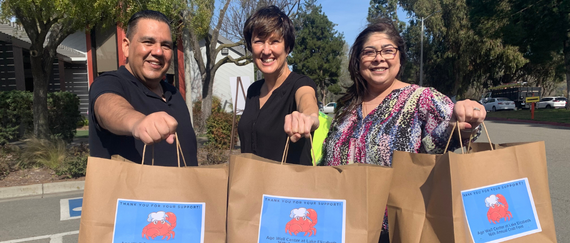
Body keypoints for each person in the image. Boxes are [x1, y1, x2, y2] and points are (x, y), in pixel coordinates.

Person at [321, 19, 486, 242]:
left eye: (388, 50)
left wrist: (467, 117)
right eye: (369, 52)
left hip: (397, 232)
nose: (378, 58)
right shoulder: (347, 106)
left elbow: (452, 131)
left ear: (400, 56)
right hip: (341, 227)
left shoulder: (420, 99)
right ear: (358, 60)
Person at [89, 10, 198, 166]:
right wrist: (137, 122)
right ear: (126, 46)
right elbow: (107, 106)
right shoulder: (110, 82)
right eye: (148, 42)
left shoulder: (173, 92)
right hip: (131, 191)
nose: (158, 51)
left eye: (166, 45)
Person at [238, 5, 320, 165]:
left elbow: (307, 100)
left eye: (274, 41)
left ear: (287, 47)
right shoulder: (253, 90)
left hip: (288, 187)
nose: (266, 50)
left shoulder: (301, 84)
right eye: (259, 41)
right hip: (250, 185)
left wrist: (309, 118)